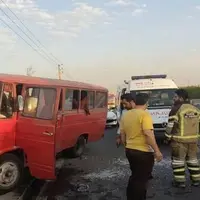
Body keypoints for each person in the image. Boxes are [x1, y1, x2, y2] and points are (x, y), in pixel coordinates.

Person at [120, 93, 162, 200]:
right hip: (142, 152)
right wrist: (157, 151)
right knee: (141, 180)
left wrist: (127, 146)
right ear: (146, 102)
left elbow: (122, 135)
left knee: (134, 176)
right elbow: (148, 134)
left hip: (130, 150)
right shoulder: (144, 115)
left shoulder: (126, 115)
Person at [165, 89, 200, 188]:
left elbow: (170, 126)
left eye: (175, 97)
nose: (173, 99)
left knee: (178, 162)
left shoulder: (176, 109)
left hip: (179, 141)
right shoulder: (195, 109)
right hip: (193, 140)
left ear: (181, 98)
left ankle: (180, 182)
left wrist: (167, 138)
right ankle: (196, 180)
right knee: (193, 160)